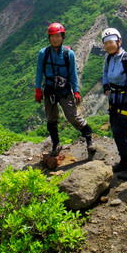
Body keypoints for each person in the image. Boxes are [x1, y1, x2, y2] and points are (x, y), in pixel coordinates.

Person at [35, 23, 95, 156]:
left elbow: (73, 74)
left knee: (73, 117)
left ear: (62, 37)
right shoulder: (43, 53)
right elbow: (39, 72)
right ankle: (56, 144)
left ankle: (89, 137)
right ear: (49, 38)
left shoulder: (69, 54)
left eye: (58, 36)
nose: (55, 39)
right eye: (52, 36)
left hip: (64, 89)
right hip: (49, 89)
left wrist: (76, 91)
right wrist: (38, 90)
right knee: (51, 119)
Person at [102, 27, 127, 179]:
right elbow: (105, 72)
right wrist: (106, 84)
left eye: (111, 42)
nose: (108, 46)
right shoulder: (108, 58)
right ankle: (124, 162)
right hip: (114, 101)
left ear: (118, 41)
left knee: (121, 134)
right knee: (116, 132)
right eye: (106, 43)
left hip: (126, 101)